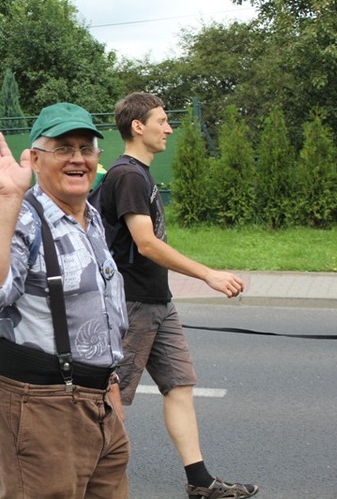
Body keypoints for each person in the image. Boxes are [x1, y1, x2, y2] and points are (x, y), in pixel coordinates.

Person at [0, 103, 130, 498]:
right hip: (41, 406)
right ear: (36, 159)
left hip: (99, 403)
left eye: (86, 148)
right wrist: (7, 197)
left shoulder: (91, 216)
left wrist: (111, 395)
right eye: (64, 148)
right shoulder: (22, 217)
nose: (77, 158)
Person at [98, 92, 259, 499]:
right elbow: (146, 243)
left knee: (179, 385)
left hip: (157, 301)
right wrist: (208, 275)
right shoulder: (129, 175)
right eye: (162, 121)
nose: (168, 128)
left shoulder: (139, 173)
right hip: (133, 303)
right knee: (110, 399)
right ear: (138, 126)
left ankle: (200, 482)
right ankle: (92, 481)